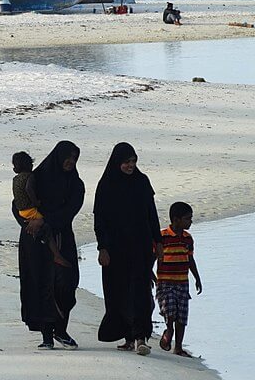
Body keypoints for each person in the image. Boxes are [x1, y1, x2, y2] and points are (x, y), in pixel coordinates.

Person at [13, 141, 84, 350]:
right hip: (34, 240)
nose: (71, 162)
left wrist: (43, 220)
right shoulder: (37, 177)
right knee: (40, 284)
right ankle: (46, 335)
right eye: (67, 157)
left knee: (66, 283)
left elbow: (69, 211)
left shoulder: (75, 184)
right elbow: (17, 203)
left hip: (61, 237)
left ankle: (60, 330)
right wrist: (28, 223)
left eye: (74, 158)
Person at [94, 142, 163, 356]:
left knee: (140, 290)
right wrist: (102, 248)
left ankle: (141, 336)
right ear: (117, 162)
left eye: (133, 161)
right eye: (126, 162)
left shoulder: (142, 182)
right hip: (115, 248)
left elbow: (151, 213)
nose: (130, 165)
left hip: (141, 246)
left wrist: (158, 242)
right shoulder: (106, 185)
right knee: (118, 291)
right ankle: (128, 336)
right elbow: (100, 220)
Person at [155, 201, 202, 358]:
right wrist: (150, 275)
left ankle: (178, 347)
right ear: (176, 219)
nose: (190, 222)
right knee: (170, 311)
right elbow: (152, 257)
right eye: (188, 219)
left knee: (182, 315)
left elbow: (190, 260)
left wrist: (197, 278)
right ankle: (169, 330)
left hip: (182, 282)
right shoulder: (162, 237)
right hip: (164, 281)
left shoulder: (188, 239)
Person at [12, 151, 71, 268]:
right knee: (46, 227)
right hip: (30, 210)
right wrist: (36, 202)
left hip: (21, 211)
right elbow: (29, 189)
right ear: (30, 165)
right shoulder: (30, 176)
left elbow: (15, 199)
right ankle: (56, 255)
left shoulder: (15, 179)